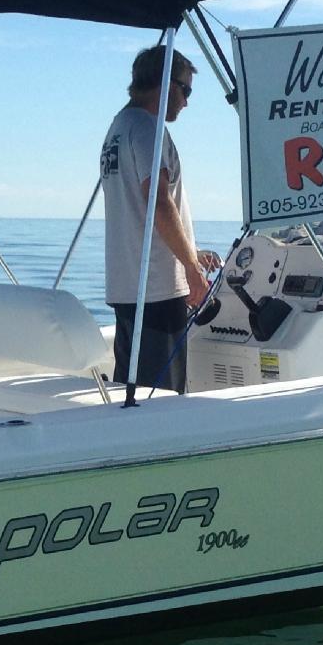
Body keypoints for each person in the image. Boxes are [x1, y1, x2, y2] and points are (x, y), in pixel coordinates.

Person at [100, 45, 221, 393]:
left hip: (127, 285)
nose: (186, 101)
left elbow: (140, 214)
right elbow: (158, 202)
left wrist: (191, 254)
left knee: (133, 392)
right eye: (185, 90)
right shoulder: (147, 128)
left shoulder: (119, 127)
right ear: (165, 83)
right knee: (162, 398)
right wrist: (192, 269)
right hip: (157, 289)